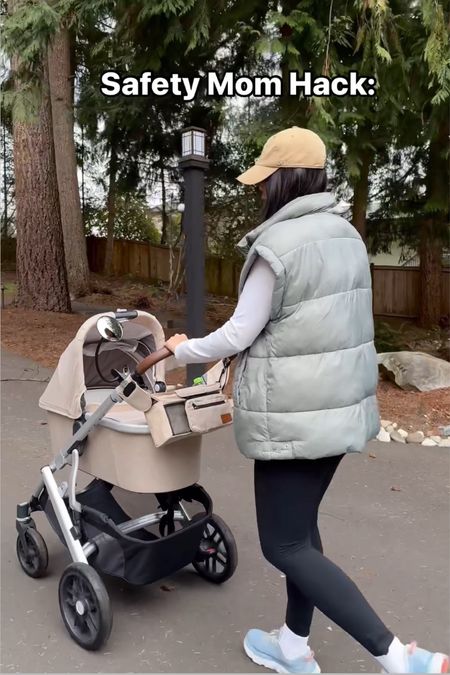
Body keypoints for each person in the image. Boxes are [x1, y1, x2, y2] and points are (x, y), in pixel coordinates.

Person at [164, 127, 449, 675]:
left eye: (264, 180)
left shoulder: (277, 248)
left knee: (284, 546)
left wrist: (181, 350)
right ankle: (293, 644)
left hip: (292, 419)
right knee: (302, 533)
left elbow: (237, 334)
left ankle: (397, 657)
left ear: (283, 179)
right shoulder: (347, 235)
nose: (259, 191)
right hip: (339, 412)